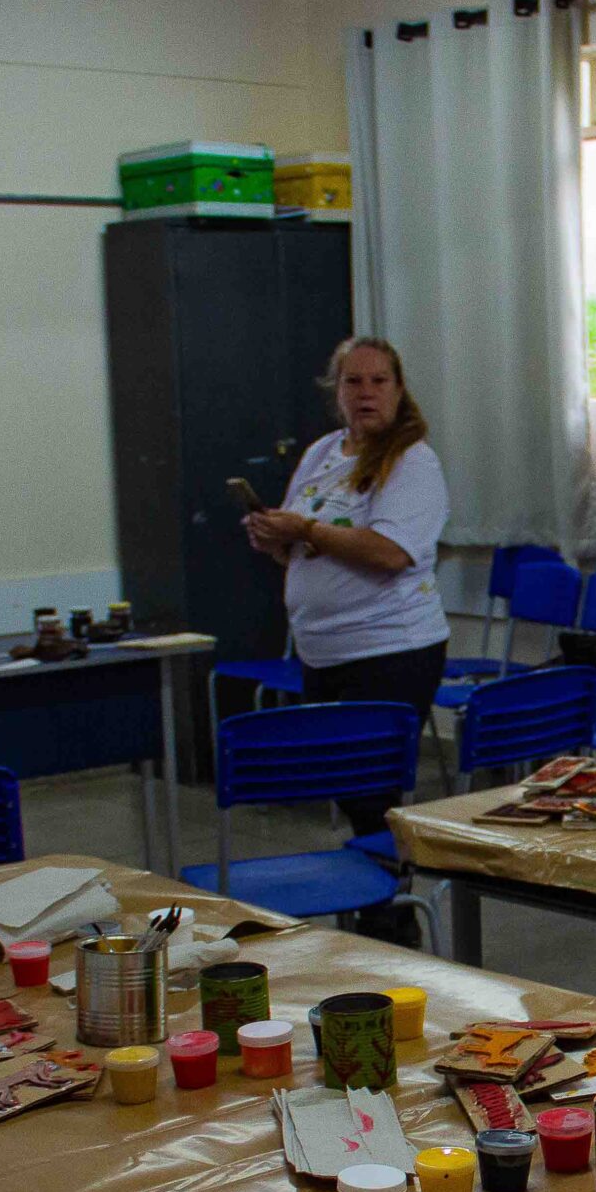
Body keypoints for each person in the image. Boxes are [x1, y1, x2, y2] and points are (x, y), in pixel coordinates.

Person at [246, 336, 450, 942]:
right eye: (352, 382)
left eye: (378, 382)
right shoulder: (321, 454)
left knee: (372, 791)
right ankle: (377, 907)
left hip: (392, 649)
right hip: (324, 649)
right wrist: (274, 535)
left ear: (397, 388)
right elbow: (302, 540)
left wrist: (305, 528)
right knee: (351, 788)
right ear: (336, 392)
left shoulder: (413, 462)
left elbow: (389, 552)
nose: (365, 393)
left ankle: (390, 917)